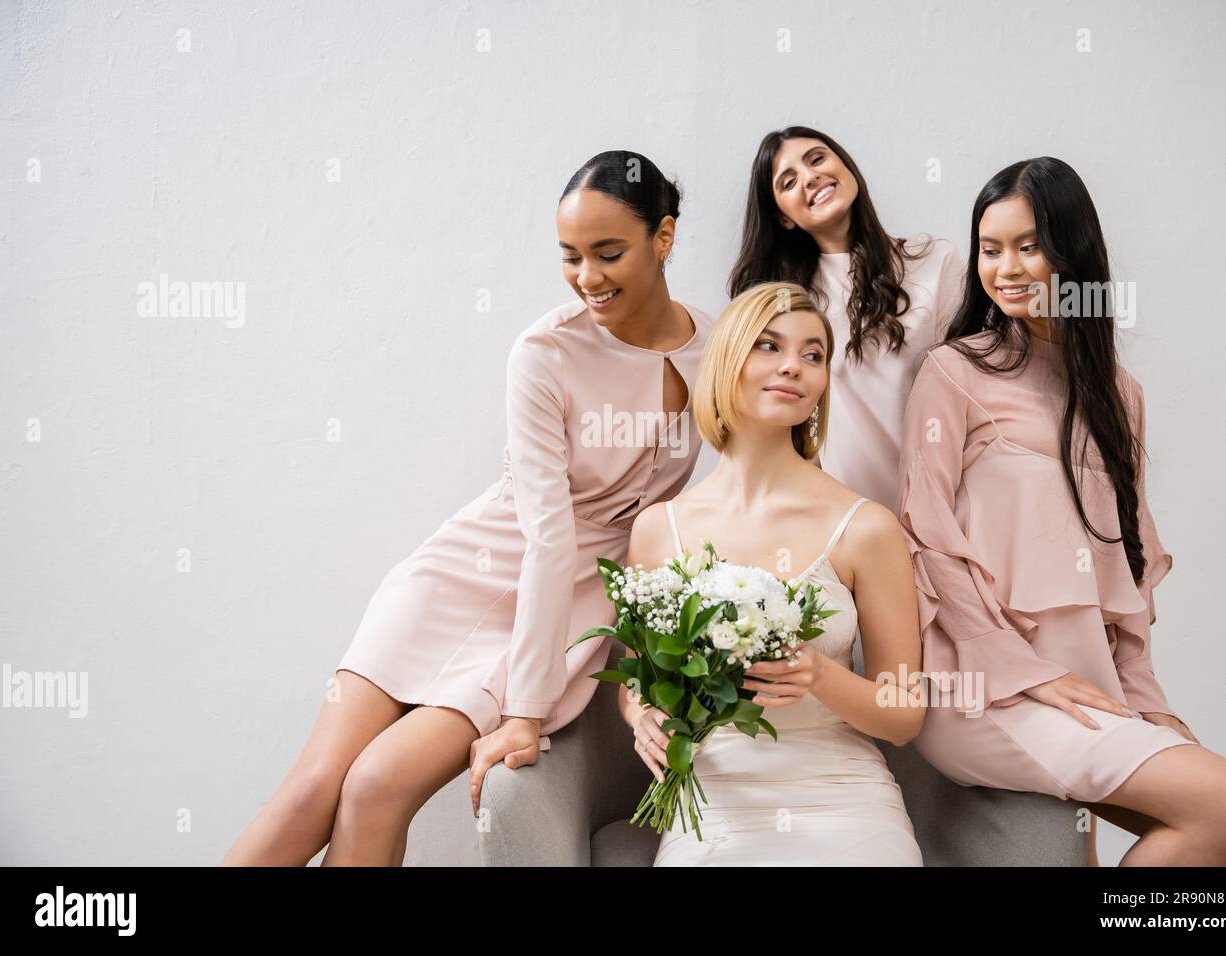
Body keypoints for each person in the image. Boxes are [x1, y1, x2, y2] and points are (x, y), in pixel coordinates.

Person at [222, 150, 716, 866]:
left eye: (608, 253)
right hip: (466, 572)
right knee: (312, 789)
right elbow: (547, 535)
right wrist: (522, 712)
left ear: (663, 237)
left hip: (574, 600)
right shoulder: (545, 352)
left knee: (377, 787)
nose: (587, 278)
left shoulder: (719, 350)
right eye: (571, 256)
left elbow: (754, 472)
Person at [899, 156, 1226, 865]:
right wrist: (1021, 669)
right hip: (986, 690)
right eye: (990, 248)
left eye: (1028, 245)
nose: (1005, 267)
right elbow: (928, 537)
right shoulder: (954, 372)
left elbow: (1128, 576)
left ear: (1073, 253)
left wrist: (1148, 702)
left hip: (1088, 685)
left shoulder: (1119, 394)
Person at [620, 281, 925, 866]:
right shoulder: (660, 528)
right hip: (713, 798)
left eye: (813, 355)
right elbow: (636, 682)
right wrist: (645, 715)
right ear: (727, 359)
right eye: (769, 346)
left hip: (845, 801)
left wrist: (819, 677)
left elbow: (905, 718)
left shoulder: (866, 527)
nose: (794, 367)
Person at [728, 125, 965, 515]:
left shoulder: (936, 262)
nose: (810, 178)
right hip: (844, 519)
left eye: (817, 159)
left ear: (847, 168)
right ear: (783, 218)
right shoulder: (788, 303)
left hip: (948, 505)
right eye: (788, 182)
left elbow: (974, 390)